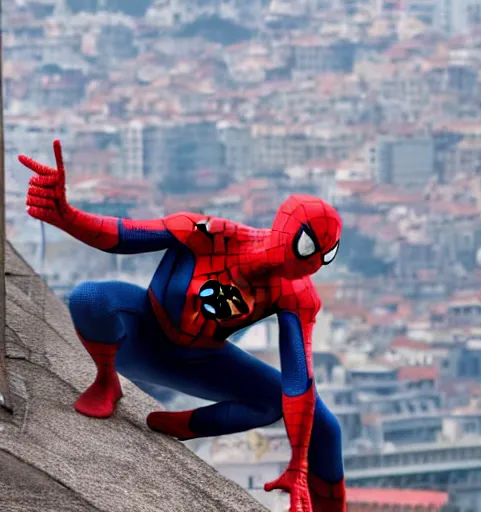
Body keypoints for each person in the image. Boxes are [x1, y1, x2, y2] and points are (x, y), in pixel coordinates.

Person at [19, 140, 346, 512]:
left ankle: (179, 424)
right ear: (287, 231)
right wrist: (64, 214)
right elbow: (123, 235)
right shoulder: (207, 233)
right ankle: (105, 380)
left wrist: (298, 465)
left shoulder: (296, 295)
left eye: (328, 254)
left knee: (319, 422)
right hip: (143, 332)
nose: (315, 264)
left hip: (202, 359)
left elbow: (298, 381)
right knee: (89, 298)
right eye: (309, 248)